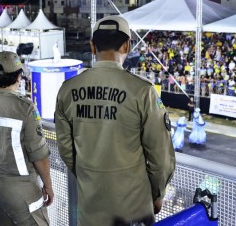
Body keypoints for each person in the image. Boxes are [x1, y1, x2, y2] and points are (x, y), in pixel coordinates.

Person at [54, 16, 175, 226]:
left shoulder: (67, 89)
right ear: (127, 45)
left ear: (92, 47)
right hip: (133, 208)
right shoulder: (142, 91)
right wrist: (157, 193)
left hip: (90, 206)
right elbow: (160, 156)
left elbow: (66, 150)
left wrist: (90, 179)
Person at [0, 51, 53, 225]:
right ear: (18, 77)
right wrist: (48, 185)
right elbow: (39, 155)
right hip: (18, 190)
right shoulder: (25, 108)